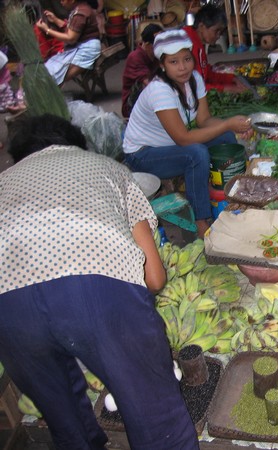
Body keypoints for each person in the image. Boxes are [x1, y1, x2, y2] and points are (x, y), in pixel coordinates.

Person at [0, 114, 199, 449]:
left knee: (67, 424)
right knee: (156, 415)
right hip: (95, 291)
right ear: (76, 145)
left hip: (8, 306)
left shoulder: (4, 182)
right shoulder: (109, 168)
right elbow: (154, 277)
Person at [122, 29, 252, 238]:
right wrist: (227, 123)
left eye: (186, 59)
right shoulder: (159, 90)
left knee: (226, 138)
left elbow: (204, 120)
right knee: (197, 154)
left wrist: (234, 126)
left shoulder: (195, 79)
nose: (182, 67)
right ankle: (202, 220)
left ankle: (231, 198)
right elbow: (182, 138)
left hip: (168, 146)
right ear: (162, 65)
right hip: (143, 154)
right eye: (173, 62)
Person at [183, 4, 248, 93]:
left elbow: (205, 73)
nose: (218, 35)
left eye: (220, 32)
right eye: (216, 31)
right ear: (202, 27)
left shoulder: (198, 42)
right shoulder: (187, 45)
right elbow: (192, 87)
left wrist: (231, 78)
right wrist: (225, 88)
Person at [35, 0, 101, 86]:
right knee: (52, 68)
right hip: (82, 46)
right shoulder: (80, 9)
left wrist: (47, 30)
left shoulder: (81, 13)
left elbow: (71, 38)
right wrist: (55, 20)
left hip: (87, 50)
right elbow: (73, 29)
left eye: (63, 0)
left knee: (57, 74)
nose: (61, 2)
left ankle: (51, 92)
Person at [121, 23, 163, 118]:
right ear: (148, 45)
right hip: (131, 104)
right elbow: (149, 83)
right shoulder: (135, 57)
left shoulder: (155, 56)